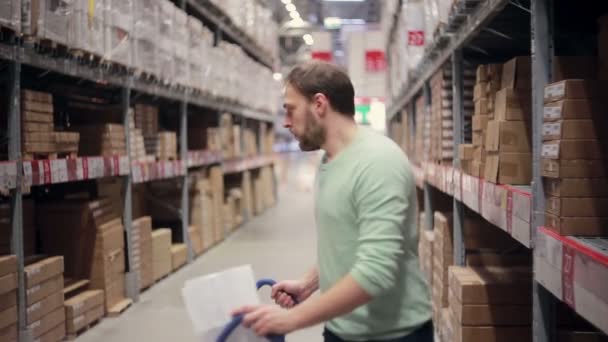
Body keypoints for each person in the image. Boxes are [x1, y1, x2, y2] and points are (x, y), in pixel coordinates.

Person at [233, 61, 432, 342]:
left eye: (290, 110)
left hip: (392, 335)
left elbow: (376, 272)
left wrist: (291, 320)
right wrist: (309, 283)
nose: (286, 122)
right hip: (341, 329)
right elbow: (347, 240)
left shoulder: (377, 163)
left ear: (319, 104)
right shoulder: (330, 160)